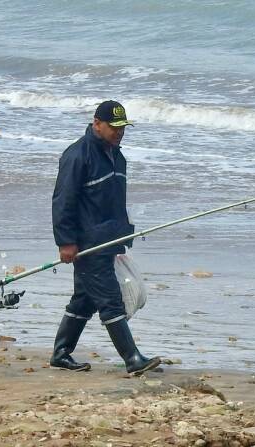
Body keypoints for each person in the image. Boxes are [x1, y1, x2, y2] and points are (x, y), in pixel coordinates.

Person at [51, 100, 161, 375]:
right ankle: (132, 358)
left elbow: (114, 202)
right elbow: (63, 201)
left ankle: (61, 353)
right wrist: (66, 242)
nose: (119, 132)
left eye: (123, 127)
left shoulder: (116, 156)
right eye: (114, 127)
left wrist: (123, 235)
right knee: (110, 300)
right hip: (88, 243)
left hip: (110, 240)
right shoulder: (78, 155)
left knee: (84, 299)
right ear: (97, 123)